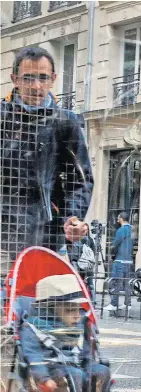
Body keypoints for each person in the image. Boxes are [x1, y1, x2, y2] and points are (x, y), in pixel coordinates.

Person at [0, 47, 93, 275]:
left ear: (53, 80)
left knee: (55, 306)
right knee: (8, 306)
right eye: (28, 78)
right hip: (4, 237)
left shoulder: (65, 123)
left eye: (42, 78)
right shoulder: (2, 117)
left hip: (47, 236)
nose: (36, 86)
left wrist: (72, 217)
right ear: (15, 80)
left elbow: (80, 180)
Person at [20, 274, 123, 392]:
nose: (77, 315)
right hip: (47, 379)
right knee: (73, 374)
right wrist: (43, 378)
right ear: (50, 308)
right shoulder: (32, 327)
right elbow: (33, 357)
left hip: (77, 372)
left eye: (78, 309)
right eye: (70, 310)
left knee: (102, 371)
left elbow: (85, 356)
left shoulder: (79, 324)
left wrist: (96, 375)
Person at [104, 212, 134, 312]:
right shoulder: (132, 230)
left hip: (120, 260)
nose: (117, 219)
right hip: (129, 260)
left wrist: (112, 254)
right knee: (127, 283)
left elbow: (115, 244)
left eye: (118, 218)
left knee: (116, 282)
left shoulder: (121, 230)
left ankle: (114, 303)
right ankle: (128, 303)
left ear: (120, 219)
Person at [70, 223, 96, 302]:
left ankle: (80, 300)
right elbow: (93, 252)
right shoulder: (90, 240)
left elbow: (74, 254)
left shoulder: (77, 239)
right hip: (88, 265)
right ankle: (92, 301)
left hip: (78, 264)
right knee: (90, 283)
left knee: (79, 283)